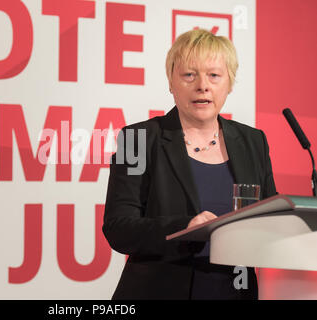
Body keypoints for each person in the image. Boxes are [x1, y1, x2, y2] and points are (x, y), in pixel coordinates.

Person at [102, 29, 277, 300]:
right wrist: (185, 228)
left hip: (235, 291)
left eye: (214, 75)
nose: (202, 85)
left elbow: (267, 217)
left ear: (229, 83)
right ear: (171, 82)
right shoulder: (136, 139)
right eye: (189, 75)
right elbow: (118, 228)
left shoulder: (253, 141)